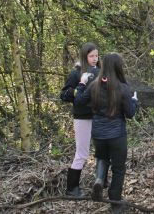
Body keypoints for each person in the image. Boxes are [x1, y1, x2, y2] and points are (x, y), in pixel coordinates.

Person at [75, 53, 138, 213]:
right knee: (118, 169)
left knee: (102, 158)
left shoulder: (93, 85)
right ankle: (115, 202)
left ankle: (99, 179)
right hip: (117, 135)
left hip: (98, 134)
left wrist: (82, 83)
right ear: (118, 67)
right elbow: (130, 113)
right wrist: (135, 101)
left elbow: (79, 101)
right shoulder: (123, 88)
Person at [60, 42, 101, 197]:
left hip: (98, 117)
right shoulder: (76, 73)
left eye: (96, 55)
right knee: (82, 154)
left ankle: (101, 181)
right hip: (82, 118)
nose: (95, 58)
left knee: (102, 151)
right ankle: (72, 189)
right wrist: (81, 86)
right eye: (91, 56)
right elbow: (64, 95)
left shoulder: (100, 71)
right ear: (85, 57)